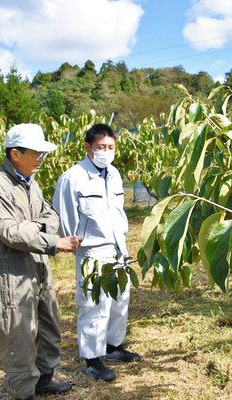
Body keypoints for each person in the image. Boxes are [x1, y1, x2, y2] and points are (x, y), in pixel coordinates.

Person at [0, 123, 83, 400]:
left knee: (49, 325)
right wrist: (51, 240)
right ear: (15, 153)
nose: (42, 157)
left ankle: (45, 380)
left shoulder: (30, 181)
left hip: (37, 263)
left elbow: (50, 216)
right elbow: (9, 232)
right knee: (17, 334)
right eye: (37, 152)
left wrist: (36, 229)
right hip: (10, 270)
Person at [52, 123, 141, 383]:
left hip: (117, 248)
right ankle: (92, 358)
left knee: (119, 299)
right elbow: (64, 214)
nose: (106, 151)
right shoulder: (73, 177)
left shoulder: (114, 174)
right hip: (92, 250)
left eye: (111, 147)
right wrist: (74, 241)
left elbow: (117, 211)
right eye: (101, 147)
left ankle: (113, 347)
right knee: (93, 304)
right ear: (88, 148)